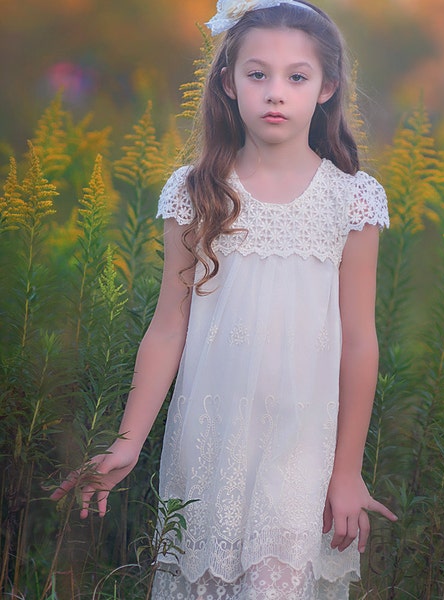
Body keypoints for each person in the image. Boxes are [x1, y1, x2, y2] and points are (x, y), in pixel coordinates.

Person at [52, 0, 397, 598]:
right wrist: (129, 440)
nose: (275, 92)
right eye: (257, 73)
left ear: (326, 88)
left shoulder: (352, 200)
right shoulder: (197, 191)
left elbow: (360, 340)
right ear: (229, 83)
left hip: (300, 451)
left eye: (297, 76)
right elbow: (168, 326)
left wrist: (346, 471)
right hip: (208, 445)